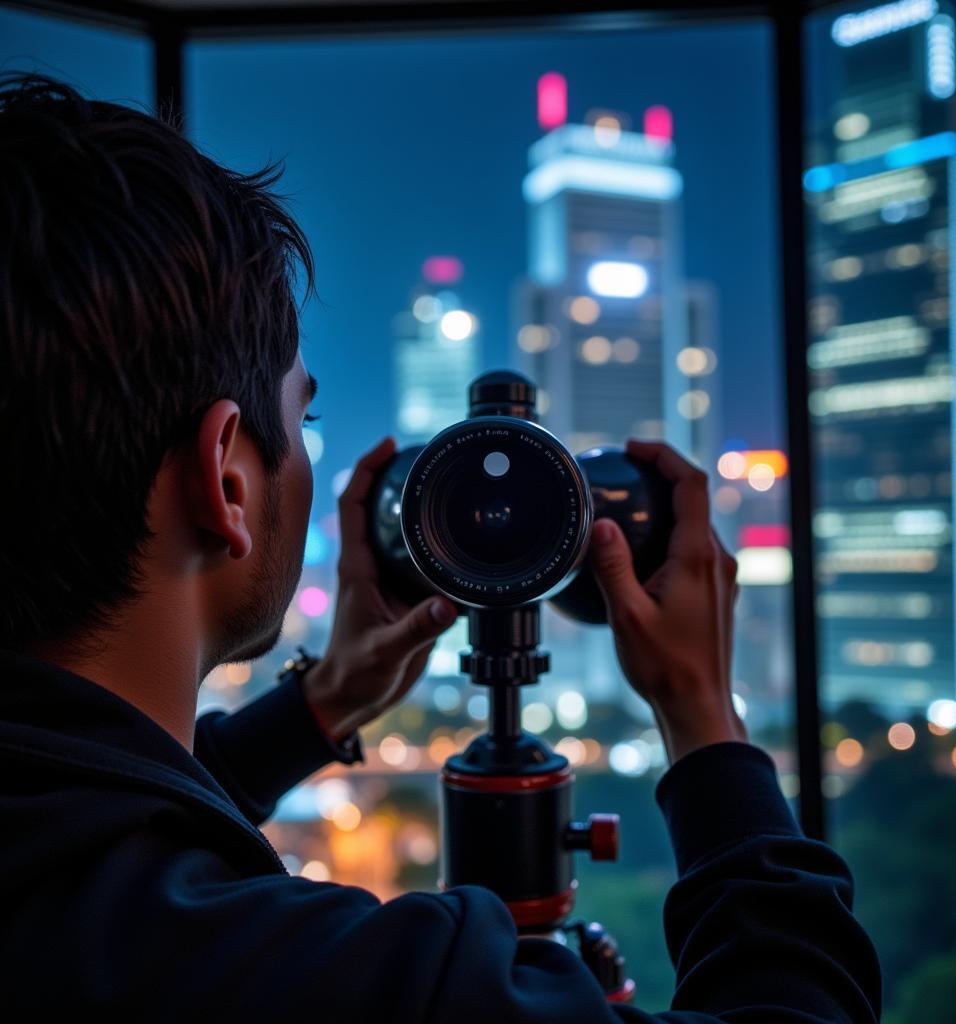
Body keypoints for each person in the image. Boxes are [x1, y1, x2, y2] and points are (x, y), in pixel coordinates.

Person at [0, 71, 882, 1020]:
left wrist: (321, 704)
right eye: (305, 421)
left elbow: (97, 828)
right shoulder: (335, 985)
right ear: (227, 480)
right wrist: (705, 720)